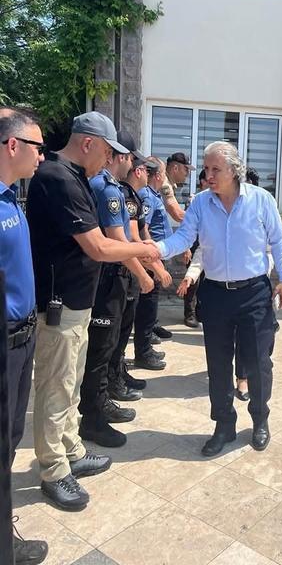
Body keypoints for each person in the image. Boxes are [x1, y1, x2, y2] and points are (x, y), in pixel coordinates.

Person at [26, 111, 159, 511]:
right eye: (107, 152)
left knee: (71, 383)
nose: (110, 160)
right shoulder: (57, 178)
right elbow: (98, 247)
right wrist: (145, 250)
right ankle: (54, 471)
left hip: (78, 301)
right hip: (60, 303)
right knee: (56, 387)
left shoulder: (78, 177)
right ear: (88, 143)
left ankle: (71, 450)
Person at [157, 141, 282, 456]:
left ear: (234, 170)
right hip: (216, 294)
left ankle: (259, 420)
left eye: (215, 169)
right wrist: (157, 250)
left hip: (254, 293)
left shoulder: (261, 200)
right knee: (218, 365)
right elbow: (184, 237)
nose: (209, 175)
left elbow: (278, 240)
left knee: (258, 363)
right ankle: (223, 425)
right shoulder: (201, 204)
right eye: (206, 168)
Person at [78, 130, 161, 448]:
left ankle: (100, 402)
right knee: (101, 349)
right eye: (131, 159)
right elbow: (119, 240)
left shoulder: (109, 186)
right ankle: (94, 415)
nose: (134, 165)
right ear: (122, 157)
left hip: (112, 274)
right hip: (109, 276)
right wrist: (144, 271)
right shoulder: (108, 189)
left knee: (109, 343)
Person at [0, 107, 48, 565]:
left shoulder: (12, 197)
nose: (42, 156)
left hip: (22, 337)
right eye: (37, 146)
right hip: (5, 341)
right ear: (13, 145)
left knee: (11, 437)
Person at [107, 155, 171, 401]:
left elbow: (144, 235)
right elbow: (132, 239)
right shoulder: (126, 195)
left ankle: (118, 372)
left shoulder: (133, 195)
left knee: (124, 329)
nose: (147, 173)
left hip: (134, 267)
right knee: (115, 333)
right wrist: (152, 270)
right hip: (124, 270)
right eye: (144, 168)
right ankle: (112, 380)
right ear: (138, 172)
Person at [133, 157, 173, 370]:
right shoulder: (147, 196)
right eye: (164, 172)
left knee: (150, 306)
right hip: (148, 259)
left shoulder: (154, 195)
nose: (165, 177)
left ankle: (146, 346)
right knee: (146, 306)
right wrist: (154, 260)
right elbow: (143, 230)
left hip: (154, 256)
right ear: (158, 175)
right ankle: (143, 351)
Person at [161, 152, 197, 328]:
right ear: (175, 168)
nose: (187, 174)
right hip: (152, 242)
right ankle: (146, 331)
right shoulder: (164, 183)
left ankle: (151, 326)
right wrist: (199, 218)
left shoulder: (170, 184)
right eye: (185, 169)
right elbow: (176, 213)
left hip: (160, 241)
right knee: (148, 290)